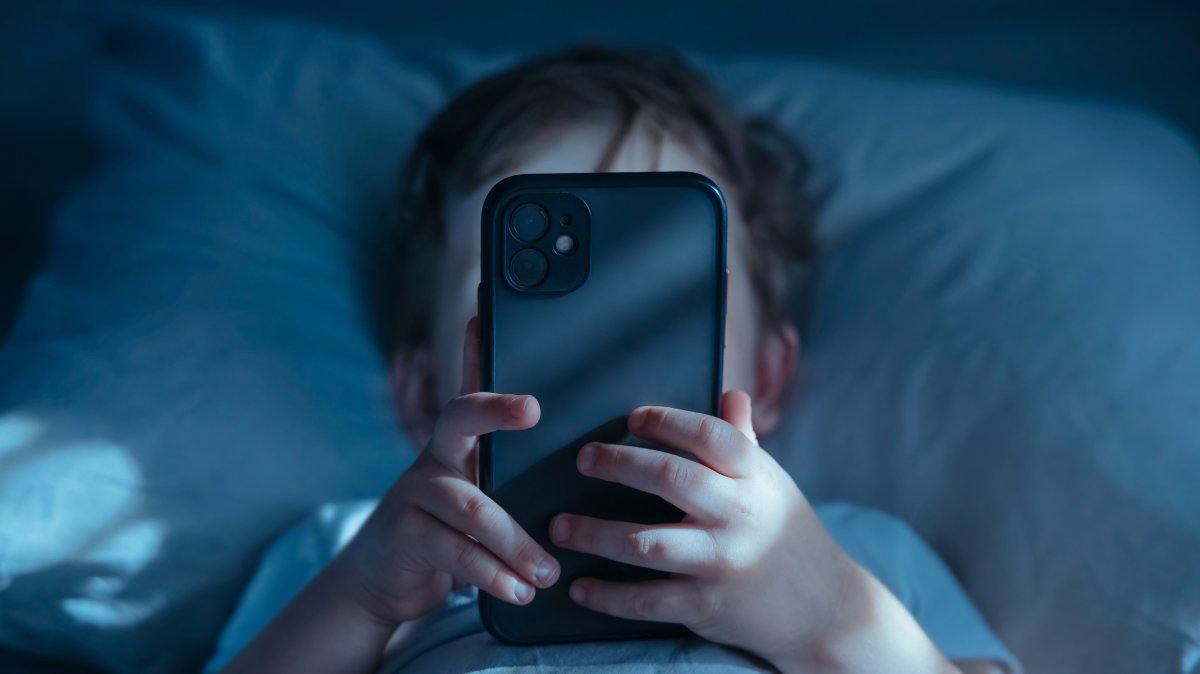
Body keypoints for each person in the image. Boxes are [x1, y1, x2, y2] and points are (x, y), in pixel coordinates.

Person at [210, 47, 1019, 674]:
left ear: (767, 379)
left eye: (670, 291)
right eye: (525, 290)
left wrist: (825, 616)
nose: (604, 338)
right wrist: (360, 600)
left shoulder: (851, 551)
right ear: (424, 388)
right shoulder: (355, 546)